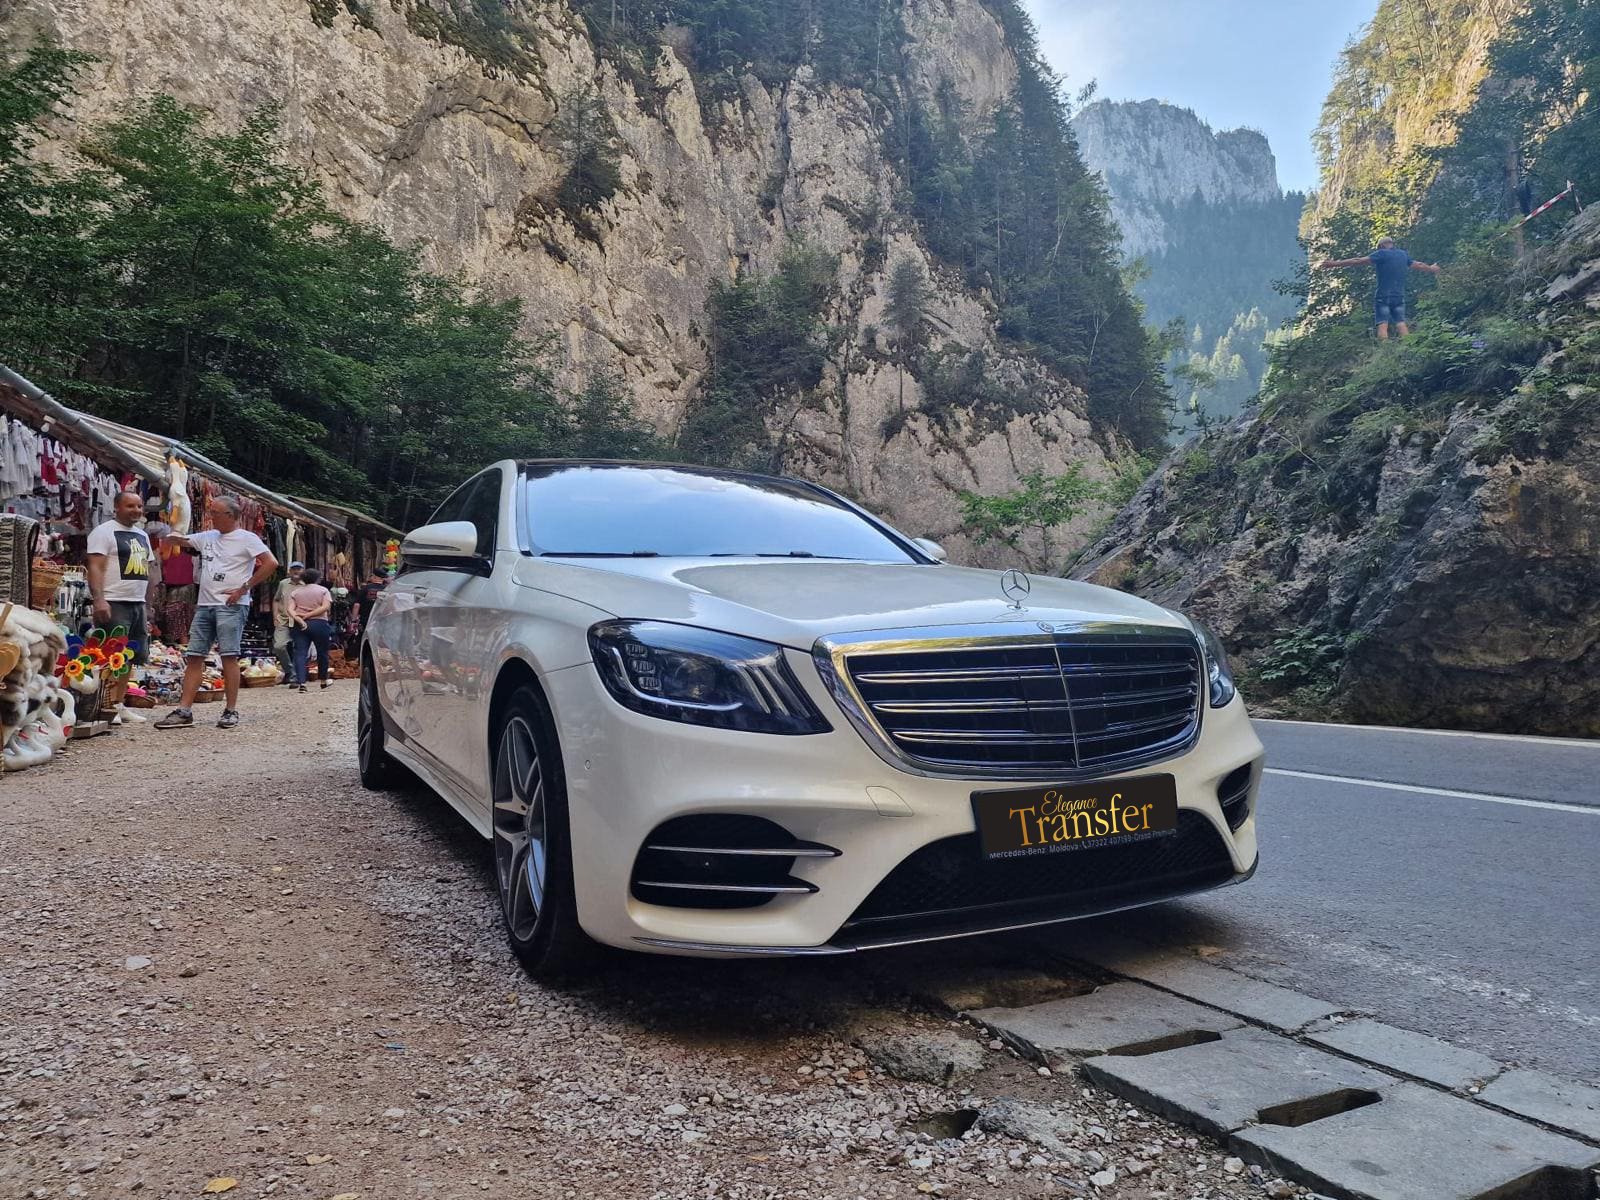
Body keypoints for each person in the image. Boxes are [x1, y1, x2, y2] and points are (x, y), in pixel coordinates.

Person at [154, 495, 279, 731]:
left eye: (215, 513)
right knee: (195, 655)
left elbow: (271, 562)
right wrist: (171, 525)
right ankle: (184, 710)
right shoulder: (208, 537)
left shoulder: (247, 539)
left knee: (229, 655)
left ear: (230, 516)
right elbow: (180, 540)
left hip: (232, 605)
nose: (211, 517)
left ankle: (231, 710)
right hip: (205, 605)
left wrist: (244, 588)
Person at [1316, 236, 1442, 339]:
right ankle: (1409, 346)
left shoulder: (1381, 254)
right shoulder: (1403, 255)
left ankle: (1385, 350)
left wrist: (1334, 264)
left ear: (1381, 246)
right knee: (1400, 322)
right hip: (1398, 295)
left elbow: (1357, 261)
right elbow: (1419, 265)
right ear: (1392, 244)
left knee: (1383, 324)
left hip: (1383, 295)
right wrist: (1431, 268)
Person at [85, 492, 154, 664]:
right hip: (114, 602)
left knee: (133, 659)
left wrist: (149, 604)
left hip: (138, 604)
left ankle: (121, 692)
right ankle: (107, 692)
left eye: (139, 506)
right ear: (116, 507)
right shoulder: (103, 532)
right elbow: (95, 566)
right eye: (130, 506)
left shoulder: (143, 535)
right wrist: (99, 600)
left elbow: (148, 568)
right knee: (112, 659)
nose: (136, 510)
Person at [288, 567, 335, 693]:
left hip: (299, 625)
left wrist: (300, 619)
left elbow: (290, 609)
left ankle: (302, 683)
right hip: (319, 623)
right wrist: (310, 615)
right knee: (322, 653)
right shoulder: (323, 590)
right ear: (317, 579)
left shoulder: (296, 592)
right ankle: (323, 680)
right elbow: (325, 607)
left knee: (300, 653)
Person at [272, 561, 306, 685]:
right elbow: (276, 600)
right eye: (294, 569)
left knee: (299, 649)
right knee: (279, 646)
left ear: (303, 571)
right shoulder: (283, 584)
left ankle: (296, 677)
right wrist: (275, 616)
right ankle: (290, 672)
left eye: (299, 569)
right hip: (283, 620)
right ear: (289, 571)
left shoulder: (307, 585)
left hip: (300, 621)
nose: (296, 571)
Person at [357, 567, 387, 640]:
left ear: (374, 577)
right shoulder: (387, 590)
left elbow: (357, 605)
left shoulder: (365, 588)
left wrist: (353, 621)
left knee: (365, 639)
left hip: (366, 620)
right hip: (381, 621)